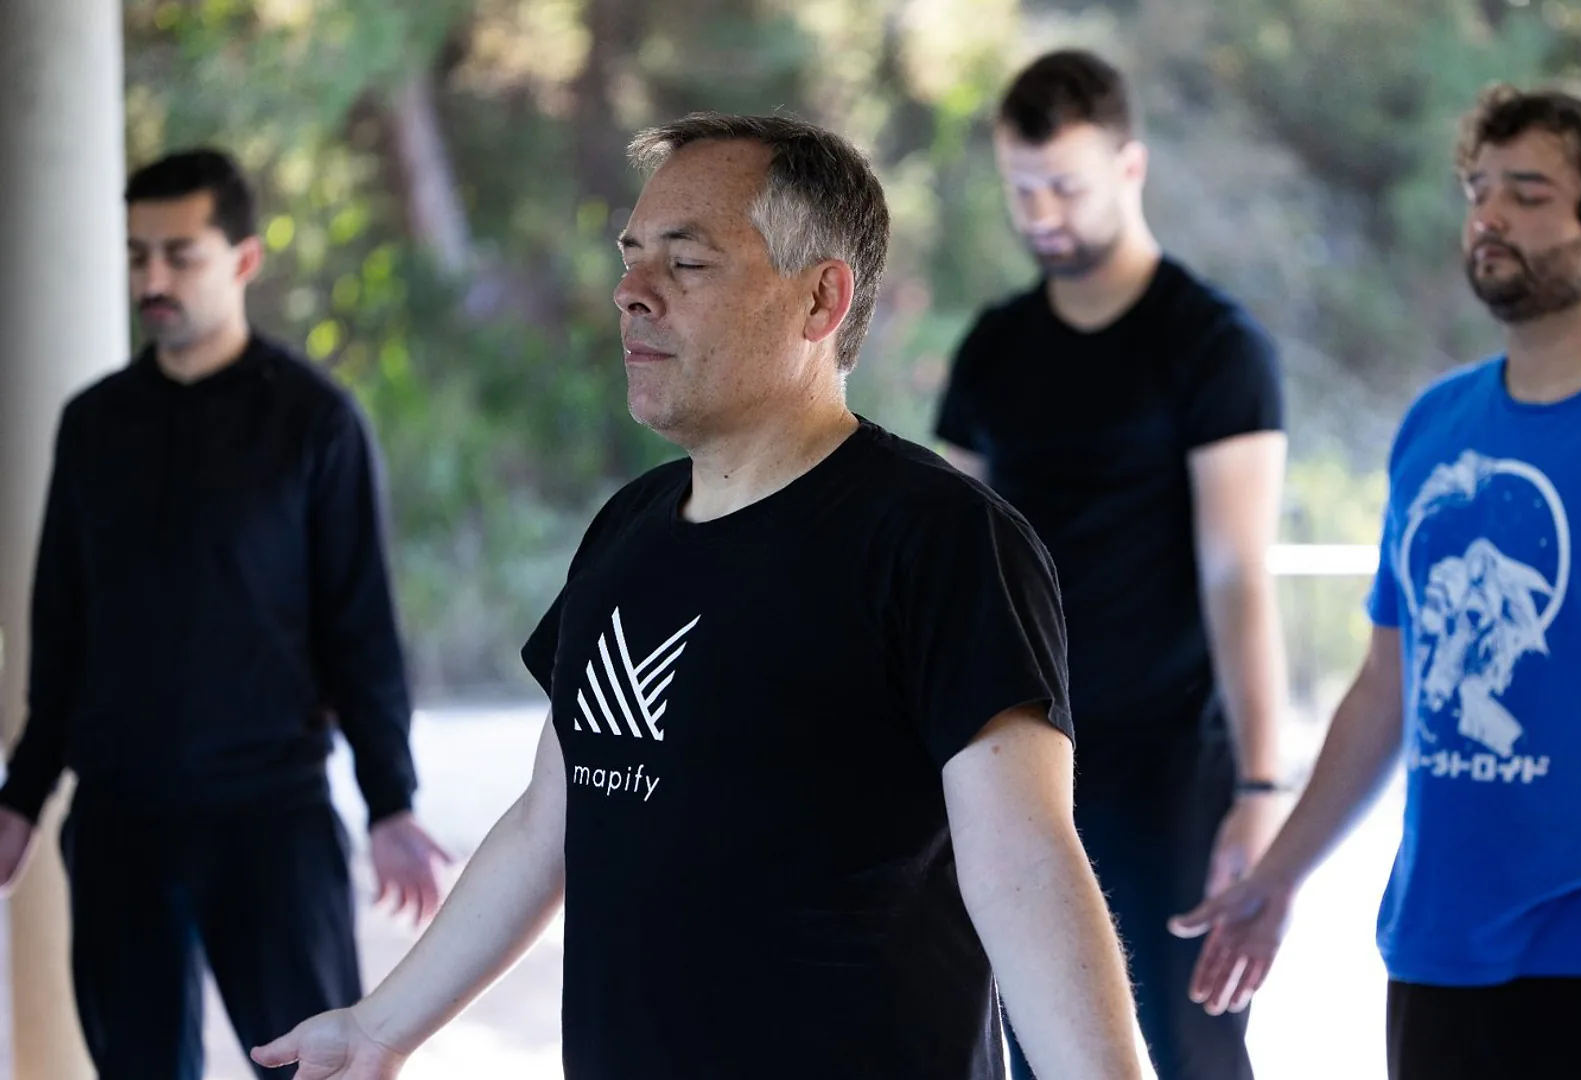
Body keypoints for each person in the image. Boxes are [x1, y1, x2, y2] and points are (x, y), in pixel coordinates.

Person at [254, 113, 1149, 1080]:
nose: (631, 295)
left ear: (820, 300)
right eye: (632, 259)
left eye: (686, 265)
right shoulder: (629, 531)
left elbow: (1023, 868)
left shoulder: (940, 540)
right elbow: (548, 825)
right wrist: (382, 1027)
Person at [1172, 85, 1581, 1079]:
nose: (1491, 216)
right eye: (1478, 191)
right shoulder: (1436, 429)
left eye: (1530, 193)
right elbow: (1388, 689)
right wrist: (1280, 876)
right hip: (1443, 953)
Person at [0, 149, 448, 1080]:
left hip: (271, 820)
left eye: (179, 255)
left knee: (312, 1069)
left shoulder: (317, 422)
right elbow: (61, 625)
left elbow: (359, 627)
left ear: (243, 260)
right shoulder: (93, 424)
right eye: (136, 256)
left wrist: (390, 798)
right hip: (122, 817)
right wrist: (23, 796)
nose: (151, 280)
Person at [935, 49, 1289, 1080]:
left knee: (1185, 1043)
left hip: (1172, 762)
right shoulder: (994, 348)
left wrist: (1262, 787)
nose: (1042, 213)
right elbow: (949, 556)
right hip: (1016, 756)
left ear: (1129, 168)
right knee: (1018, 1038)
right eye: (1022, 188)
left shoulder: (1213, 345)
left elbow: (1238, 575)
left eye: (1066, 187)